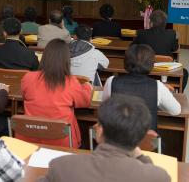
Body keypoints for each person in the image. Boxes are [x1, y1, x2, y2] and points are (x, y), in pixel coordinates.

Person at [38, 95, 171, 182]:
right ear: (141, 136)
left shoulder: (61, 166)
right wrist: (142, 157)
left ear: (100, 130)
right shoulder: (158, 176)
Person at [20, 39, 92, 148]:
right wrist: (87, 87)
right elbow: (85, 101)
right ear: (67, 60)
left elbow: (24, 96)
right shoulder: (71, 82)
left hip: (30, 138)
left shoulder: (28, 77)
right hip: (62, 141)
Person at [103, 44, 181, 130]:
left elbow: (105, 106)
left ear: (125, 61)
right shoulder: (158, 86)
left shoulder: (111, 81)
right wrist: (158, 102)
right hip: (145, 141)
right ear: (151, 64)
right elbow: (176, 111)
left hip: (116, 139)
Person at [133, 10, 188, 90]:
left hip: (145, 68)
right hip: (166, 70)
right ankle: (178, 95)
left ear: (151, 22)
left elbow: (132, 47)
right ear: (165, 23)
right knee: (185, 73)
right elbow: (175, 48)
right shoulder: (171, 34)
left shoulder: (141, 33)